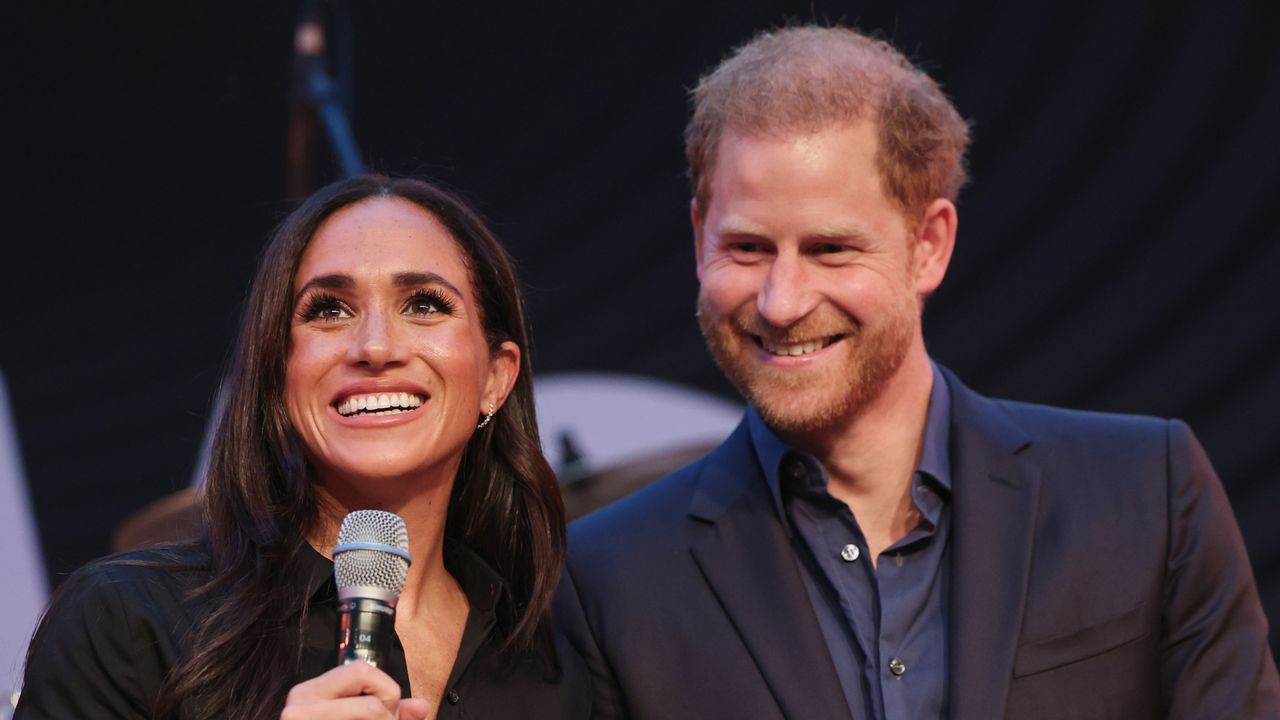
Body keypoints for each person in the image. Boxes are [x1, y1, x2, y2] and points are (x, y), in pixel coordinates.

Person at [553, 25, 1280, 719]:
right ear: (696, 239)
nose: (782, 301)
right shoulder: (606, 580)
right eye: (746, 249)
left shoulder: (1146, 497)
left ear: (929, 245)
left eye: (832, 249)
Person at [18, 175, 589, 719]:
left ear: (496, 376)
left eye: (424, 304)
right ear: (278, 374)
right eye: (328, 310)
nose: (375, 346)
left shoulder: (563, 659)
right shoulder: (127, 624)